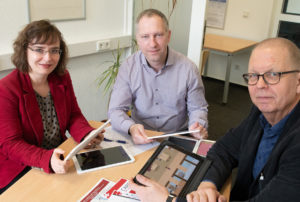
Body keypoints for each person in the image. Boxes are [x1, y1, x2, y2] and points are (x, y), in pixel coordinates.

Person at [129, 37, 300, 202]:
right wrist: (207, 185)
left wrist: (167, 201)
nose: (260, 85)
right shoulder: (260, 113)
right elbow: (224, 149)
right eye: (254, 76)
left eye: (272, 74)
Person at [0, 20, 104, 194]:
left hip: (59, 157)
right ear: (24, 50)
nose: (48, 57)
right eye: (39, 49)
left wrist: (86, 134)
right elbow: (10, 144)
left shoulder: (61, 77)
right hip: (20, 167)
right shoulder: (6, 89)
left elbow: (73, 114)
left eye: (54, 50)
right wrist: (45, 159)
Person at [108, 9, 208, 144]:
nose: (152, 43)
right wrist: (131, 128)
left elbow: (197, 108)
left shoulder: (188, 68)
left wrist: (197, 125)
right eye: (145, 36)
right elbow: (116, 110)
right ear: (138, 39)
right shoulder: (128, 67)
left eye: (158, 35)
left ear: (168, 36)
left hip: (177, 137)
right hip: (141, 137)